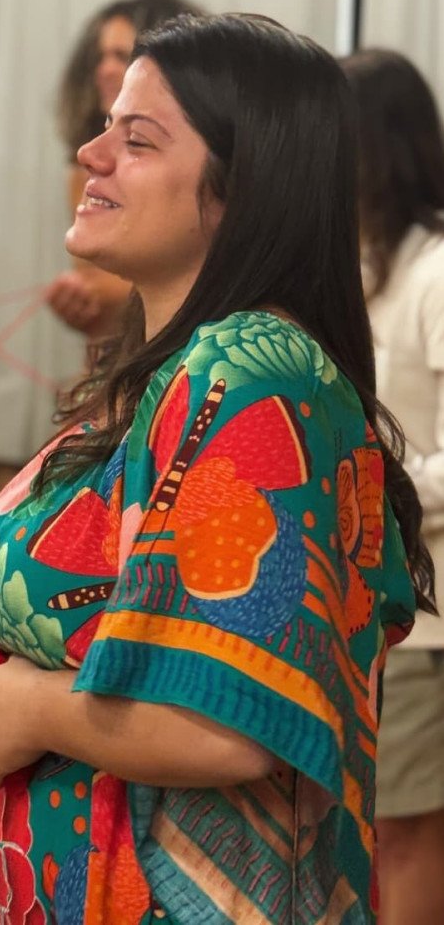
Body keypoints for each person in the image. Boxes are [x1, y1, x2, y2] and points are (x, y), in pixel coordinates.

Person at [0, 13, 434, 923]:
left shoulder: (251, 367)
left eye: (137, 139)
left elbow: (231, 718)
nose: (91, 153)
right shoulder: (167, 368)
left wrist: (32, 709)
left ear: (242, 189)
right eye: (105, 126)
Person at [340, 48, 444, 925]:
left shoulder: (436, 275)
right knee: (368, 827)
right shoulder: (365, 270)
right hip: (370, 605)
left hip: (425, 622)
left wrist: (367, 487)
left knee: (406, 833)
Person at [47, 0, 203, 340]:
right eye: (100, 57)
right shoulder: (86, 169)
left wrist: (101, 295)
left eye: (121, 55)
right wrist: (87, 302)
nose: (104, 70)